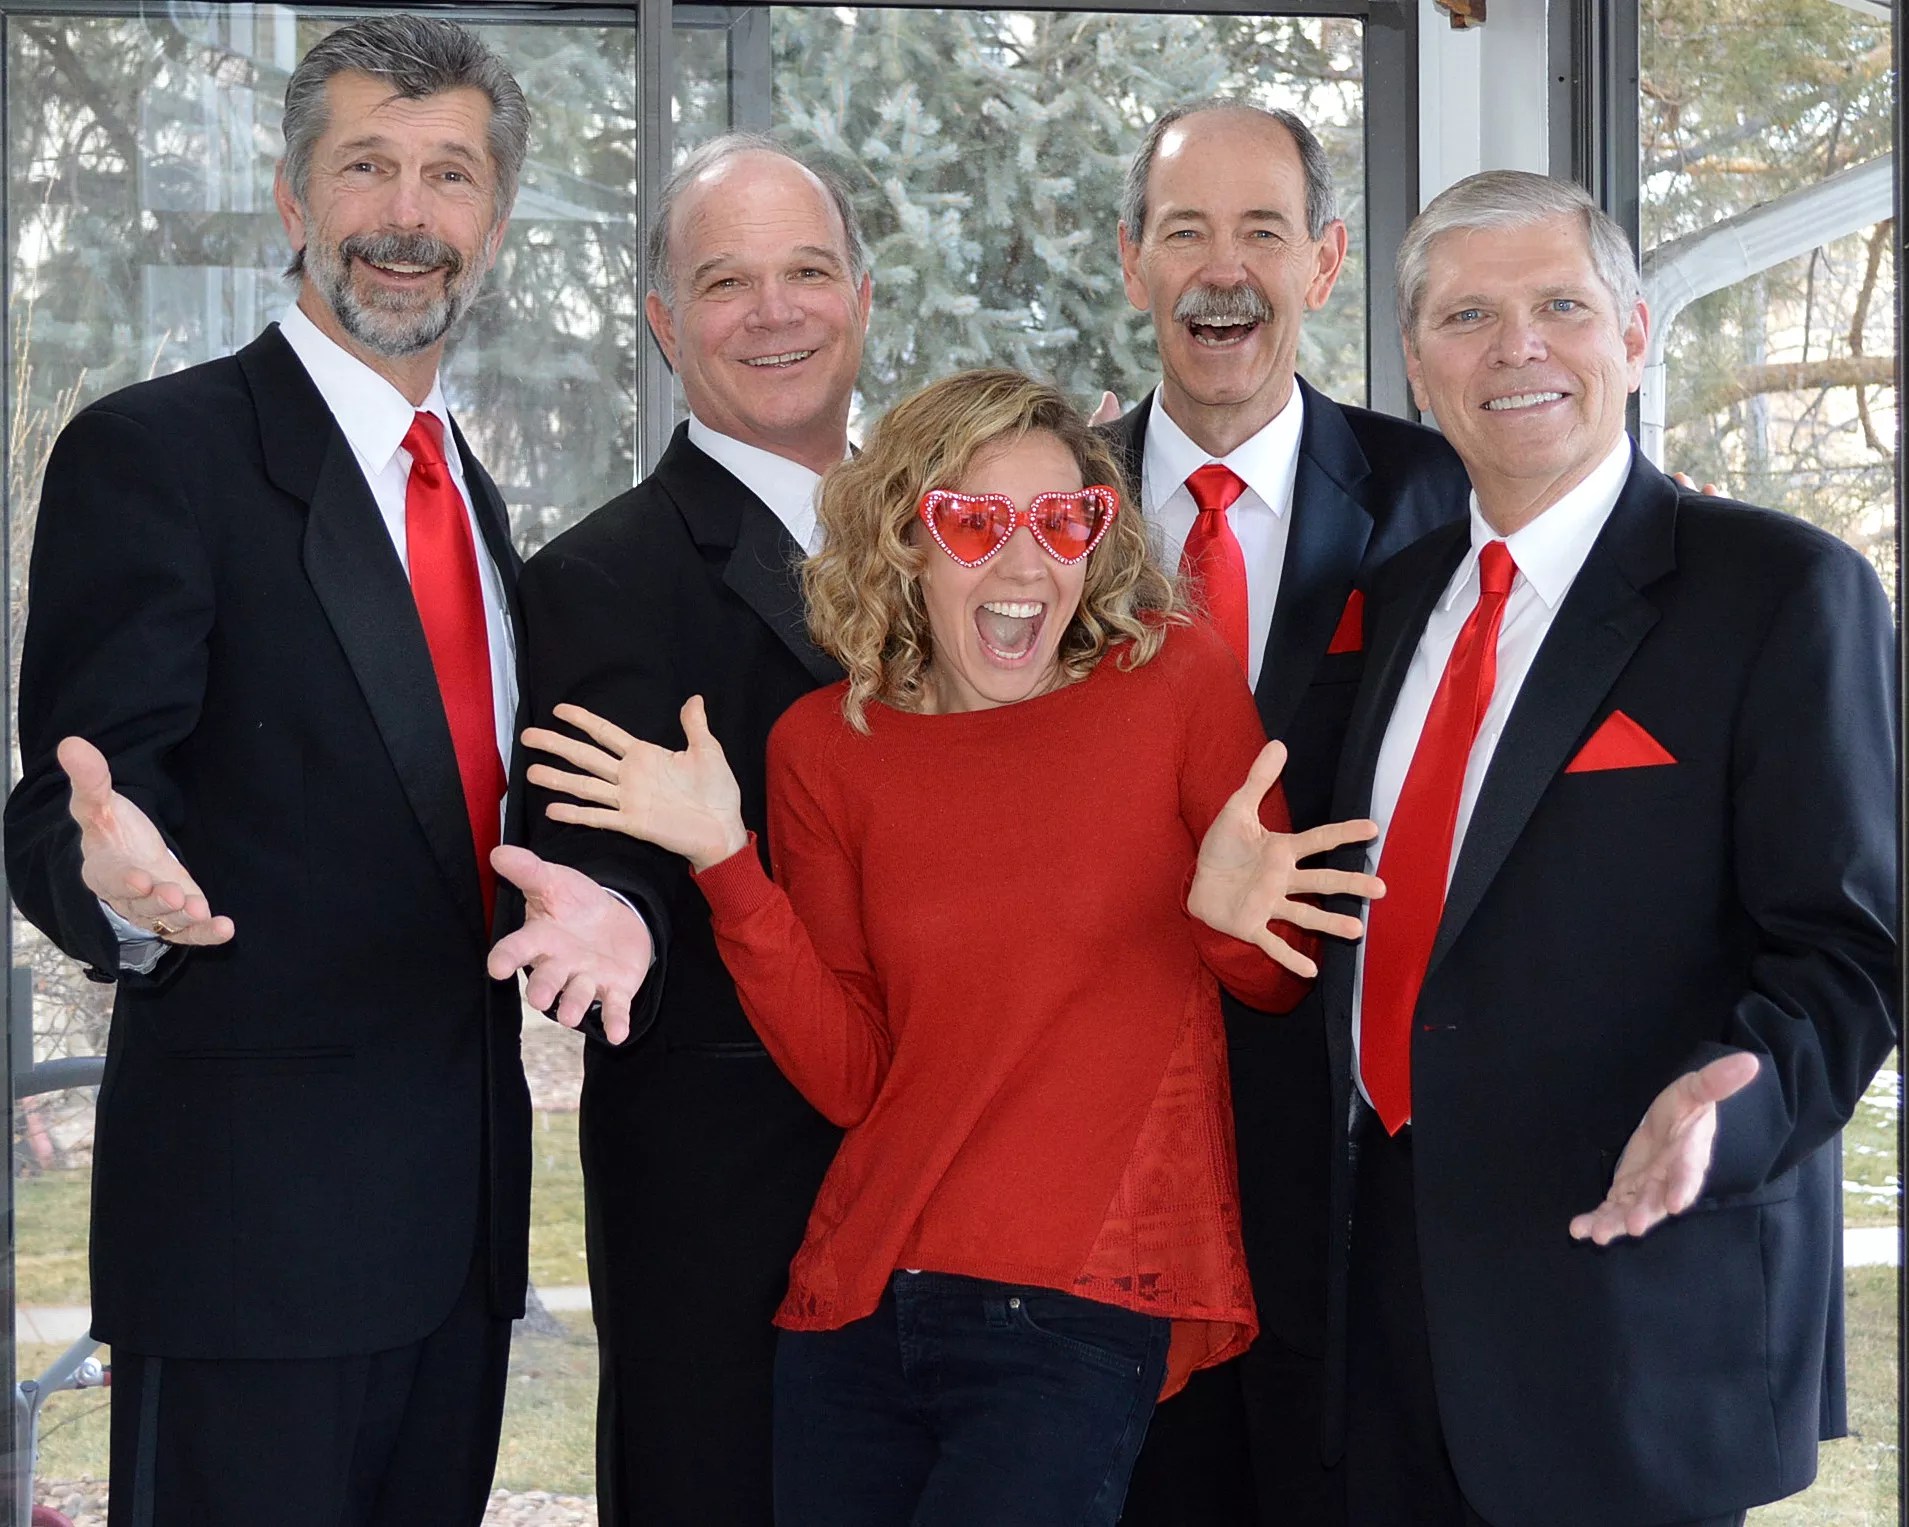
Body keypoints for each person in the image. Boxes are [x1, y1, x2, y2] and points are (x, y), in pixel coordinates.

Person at [523, 368, 1387, 1526]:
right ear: (904, 539)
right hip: (859, 1302)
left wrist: (1232, 931)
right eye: (975, 522)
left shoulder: (1173, 682)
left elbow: (1271, 982)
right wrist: (727, 860)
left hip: (1076, 1304)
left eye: (1063, 521)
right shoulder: (823, 745)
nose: (1025, 564)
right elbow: (853, 1078)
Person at [3, 18, 535, 1525]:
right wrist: (116, 889)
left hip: (458, 1246)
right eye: (367, 167)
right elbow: (72, 803)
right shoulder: (156, 453)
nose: (407, 216)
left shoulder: (471, 497)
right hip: (249, 1250)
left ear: (493, 221)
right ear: (296, 198)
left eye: (450, 174)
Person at [1320, 170, 1897, 1527]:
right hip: (1379, 1319)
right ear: (1415, 364)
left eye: (1560, 307)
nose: (1515, 347)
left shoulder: (1781, 588)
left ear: (1633, 336)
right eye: (1467, 316)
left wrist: (1727, 1113)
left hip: (1630, 1306)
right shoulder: (1387, 602)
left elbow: (1848, 949)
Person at [483, 134, 868, 1525]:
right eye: (724, 282)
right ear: (662, 321)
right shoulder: (596, 579)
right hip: (728, 1208)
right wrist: (618, 917)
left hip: (963, 1182)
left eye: (806, 271)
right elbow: (589, 850)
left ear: (862, 297)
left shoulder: (962, 544)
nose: (774, 312)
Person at [1106, 99, 1470, 1527]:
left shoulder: (1439, 496)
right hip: (1107, 1154)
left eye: (1261, 232)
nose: (1222, 271)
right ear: (1131, 260)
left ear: (1323, 263)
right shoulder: (1047, 512)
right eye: (1185, 232)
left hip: (1356, 1160)